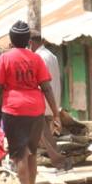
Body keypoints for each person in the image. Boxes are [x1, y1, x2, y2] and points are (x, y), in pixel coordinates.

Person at [0, 21, 61, 184]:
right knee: (32, 153)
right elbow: (46, 87)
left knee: (20, 154)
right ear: (28, 40)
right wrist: (55, 113)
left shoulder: (5, 58)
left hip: (13, 109)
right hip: (36, 109)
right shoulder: (37, 59)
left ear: (11, 39)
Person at [30, 31, 69, 170]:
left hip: (42, 100)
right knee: (42, 133)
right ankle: (49, 159)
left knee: (44, 133)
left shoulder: (38, 57)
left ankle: (58, 160)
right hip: (51, 99)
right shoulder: (51, 55)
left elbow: (41, 82)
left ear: (30, 42)